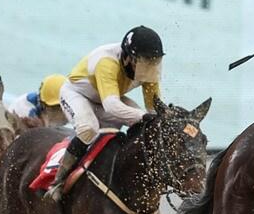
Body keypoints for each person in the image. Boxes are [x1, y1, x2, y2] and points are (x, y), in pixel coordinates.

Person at [47, 27, 165, 201]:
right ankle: (58, 182)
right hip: (78, 95)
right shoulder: (107, 62)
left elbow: (153, 108)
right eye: (143, 62)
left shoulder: (149, 68)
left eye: (152, 61)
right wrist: (143, 116)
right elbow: (112, 106)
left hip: (106, 98)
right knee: (89, 128)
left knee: (146, 125)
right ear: (127, 57)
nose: (148, 68)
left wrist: (165, 116)